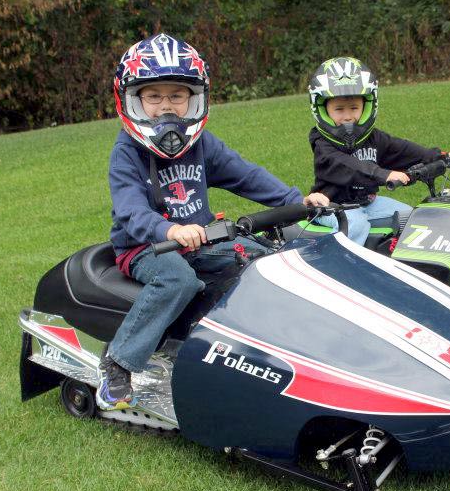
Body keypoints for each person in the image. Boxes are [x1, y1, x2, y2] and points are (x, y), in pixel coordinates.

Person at [101, 33, 328, 410]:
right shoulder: (127, 153)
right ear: (131, 100)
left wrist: (295, 200)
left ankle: (266, 349)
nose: (166, 106)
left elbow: (245, 175)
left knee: (264, 258)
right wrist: (170, 230)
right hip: (146, 247)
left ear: (195, 98)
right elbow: (131, 211)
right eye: (153, 96)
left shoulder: (201, 144)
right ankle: (119, 362)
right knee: (178, 279)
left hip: (201, 239)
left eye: (177, 95)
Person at [306, 56, 450, 245]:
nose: (348, 116)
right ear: (322, 109)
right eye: (339, 109)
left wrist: (442, 157)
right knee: (356, 225)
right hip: (331, 206)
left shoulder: (374, 138)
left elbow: (403, 150)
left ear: (367, 106)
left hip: (368, 202)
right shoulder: (322, 145)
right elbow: (347, 166)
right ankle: (337, 262)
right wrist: (383, 174)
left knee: (412, 217)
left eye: (354, 108)